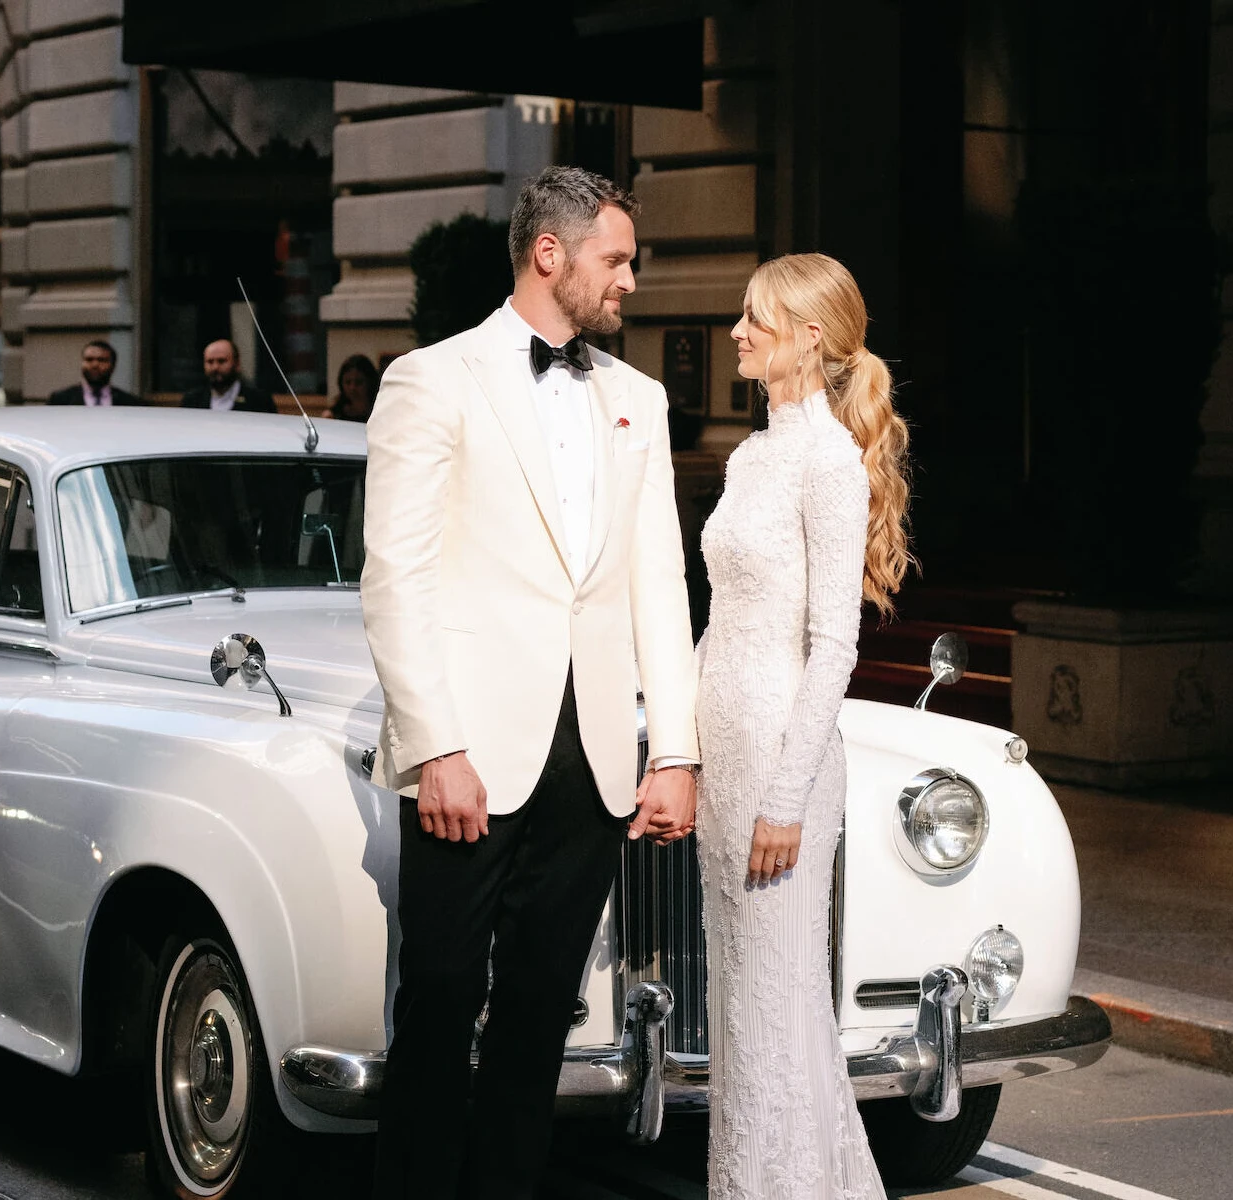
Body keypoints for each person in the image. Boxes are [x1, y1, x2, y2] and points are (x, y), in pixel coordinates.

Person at [362, 166, 700, 1199]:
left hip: (594, 758)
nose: (631, 282)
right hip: (468, 753)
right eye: (618, 259)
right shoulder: (433, 379)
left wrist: (675, 750)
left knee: (541, 1008)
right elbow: (396, 574)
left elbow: (658, 585)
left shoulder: (639, 400)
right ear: (550, 255)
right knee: (442, 994)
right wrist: (437, 747)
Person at [695, 253, 911, 1199]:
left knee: (779, 1006)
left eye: (755, 318)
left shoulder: (827, 461)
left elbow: (835, 645)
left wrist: (785, 794)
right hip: (725, 756)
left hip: (786, 763)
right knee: (743, 1008)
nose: (736, 331)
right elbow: (720, 622)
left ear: (808, 339)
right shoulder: (750, 455)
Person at [179, 339, 276, 412]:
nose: (215, 367)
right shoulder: (192, 400)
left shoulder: (259, 400)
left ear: (237, 364)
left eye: (221, 361)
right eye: (210, 362)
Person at [46, 340, 144, 406]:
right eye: (89, 359)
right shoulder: (60, 400)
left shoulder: (131, 403)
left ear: (113, 365)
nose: (95, 365)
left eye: (102, 360)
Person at [330, 353, 380, 421]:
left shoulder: (379, 410)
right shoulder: (334, 413)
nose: (352, 388)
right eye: (348, 382)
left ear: (370, 382)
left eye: (359, 382)